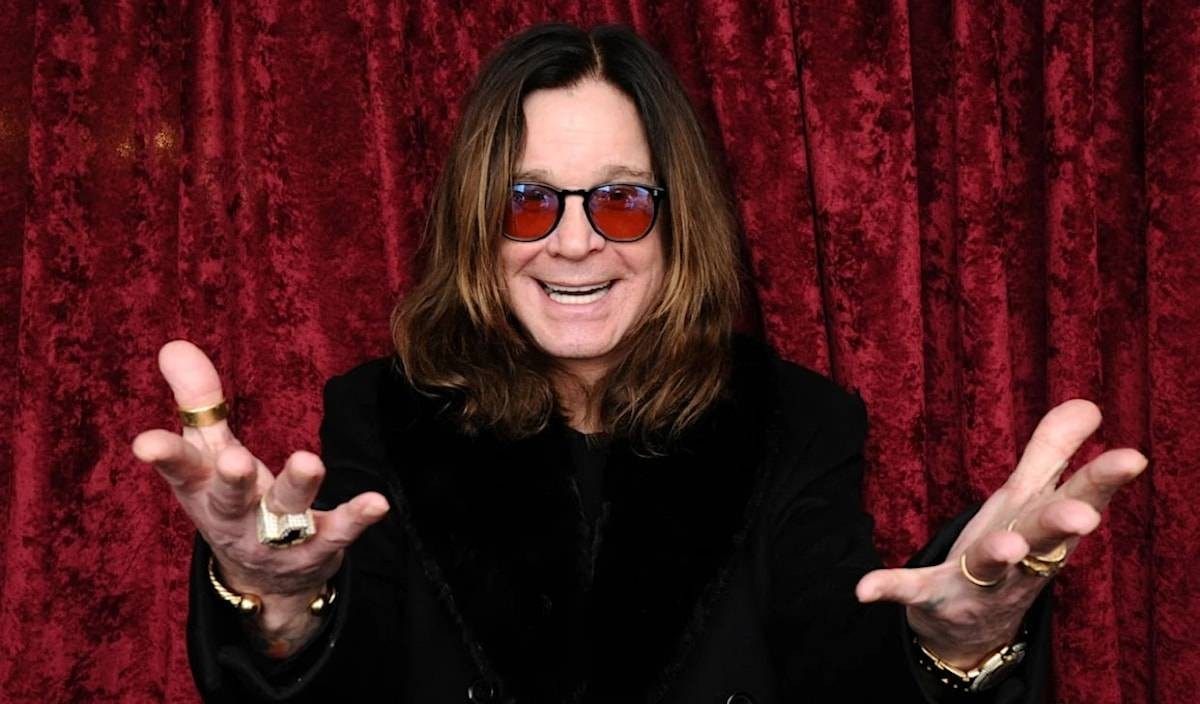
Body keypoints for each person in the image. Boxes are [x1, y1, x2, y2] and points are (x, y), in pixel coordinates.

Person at [132, 23, 1146, 704]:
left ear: (675, 220)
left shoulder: (797, 421)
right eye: (528, 200)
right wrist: (277, 606)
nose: (574, 242)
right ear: (477, 222)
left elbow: (839, 670)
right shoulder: (380, 411)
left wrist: (958, 644)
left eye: (620, 200)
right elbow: (352, 682)